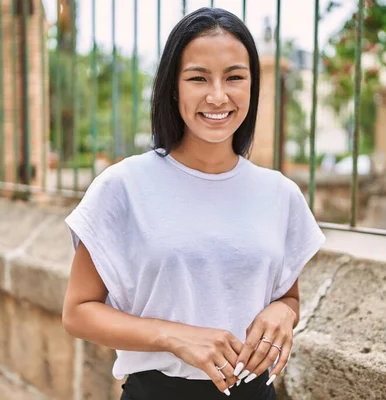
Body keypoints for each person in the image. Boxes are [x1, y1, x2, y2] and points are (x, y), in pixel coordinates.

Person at [62, 7, 325, 400]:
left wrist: (282, 312)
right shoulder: (124, 186)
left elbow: (288, 297)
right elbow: (78, 311)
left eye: (234, 77)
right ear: (173, 87)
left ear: (253, 86)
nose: (218, 95)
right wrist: (174, 336)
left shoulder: (280, 194)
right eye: (198, 78)